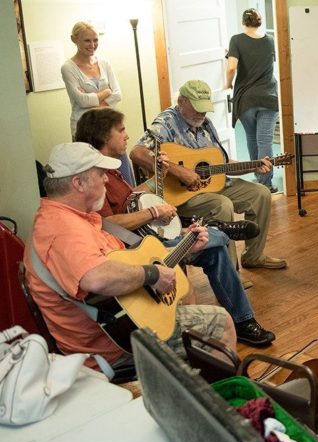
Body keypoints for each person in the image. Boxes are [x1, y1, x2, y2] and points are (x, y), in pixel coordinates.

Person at [24, 142, 237, 369]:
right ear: (78, 183)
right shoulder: (62, 228)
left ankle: (197, 387)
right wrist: (152, 273)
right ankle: (217, 399)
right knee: (221, 322)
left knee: (185, 295)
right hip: (111, 346)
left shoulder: (73, 217)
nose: (106, 179)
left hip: (118, 326)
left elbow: (120, 262)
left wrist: (184, 249)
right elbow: (95, 277)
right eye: (100, 174)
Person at [75, 108, 275, 346]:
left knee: (214, 251)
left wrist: (157, 176)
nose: (127, 136)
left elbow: (130, 199)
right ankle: (217, 230)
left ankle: (243, 321)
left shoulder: (112, 170)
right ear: (103, 136)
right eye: (121, 130)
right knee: (213, 242)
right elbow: (108, 224)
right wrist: (154, 212)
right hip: (135, 250)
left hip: (144, 237)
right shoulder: (94, 177)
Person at [129, 80, 285, 271]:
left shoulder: (206, 124)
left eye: (204, 108)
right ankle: (230, 272)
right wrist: (178, 171)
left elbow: (222, 166)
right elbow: (136, 153)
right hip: (182, 194)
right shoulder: (166, 122)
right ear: (181, 101)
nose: (201, 113)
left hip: (214, 186)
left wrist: (254, 166)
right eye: (197, 107)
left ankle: (254, 256)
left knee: (261, 193)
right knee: (222, 205)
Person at [60, 21, 133, 185]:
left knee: (123, 176)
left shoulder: (104, 63)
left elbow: (117, 95)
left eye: (95, 40)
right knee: (94, 178)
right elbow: (82, 100)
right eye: (87, 40)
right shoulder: (68, 68)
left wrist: (95, 98)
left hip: (110, 129)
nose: (92, 45)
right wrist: (106, 92)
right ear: (74, 40)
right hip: (85, 130)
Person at [225, 8, 280, 193]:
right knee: (265, 140)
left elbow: (232, 67)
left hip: (246, 98)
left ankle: (258, 177)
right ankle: (266, 183)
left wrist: (228, 84)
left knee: (251, 138)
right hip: (268, 96)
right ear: (260, 22)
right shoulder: (270, 40)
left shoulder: (236, 40)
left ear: (243, 22)